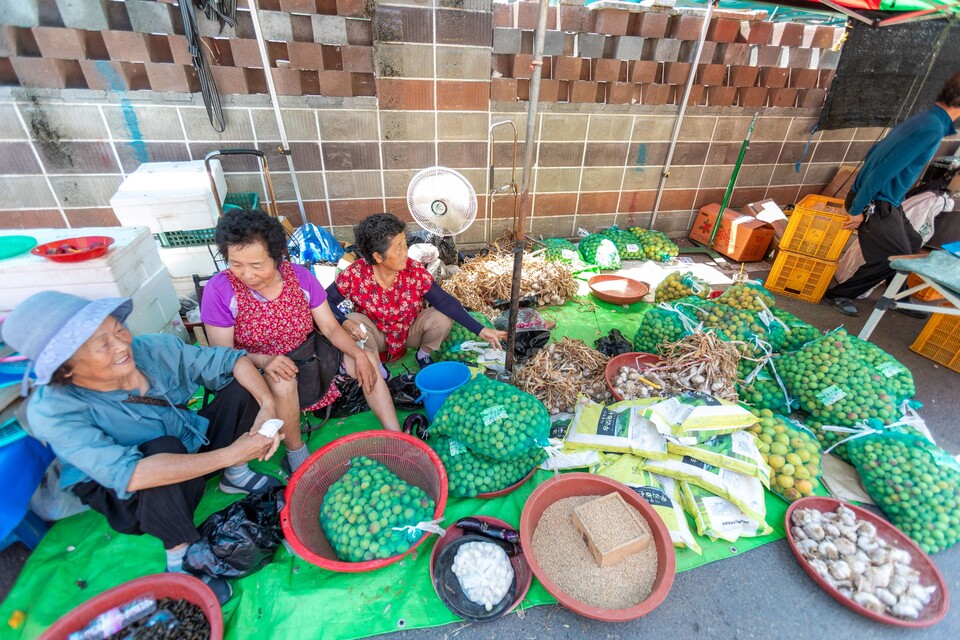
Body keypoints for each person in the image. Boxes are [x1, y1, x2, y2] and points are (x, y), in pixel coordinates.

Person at [2, 292, 286, 604]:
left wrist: (267, 408)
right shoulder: (53, 411)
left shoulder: (150, 348)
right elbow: (130, 473)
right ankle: (179, 559)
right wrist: (232, 451)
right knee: (159, 454)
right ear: (66, 368)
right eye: (102, 345)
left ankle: (234, 475)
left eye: (118, 330)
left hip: (190, 442)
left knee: (242, 387)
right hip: (130, 492)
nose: (122, 346)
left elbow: (232, 360)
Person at [201, 209, 400, 476]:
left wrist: (360, 354)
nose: (247, 275)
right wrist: (265, 360)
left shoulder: (300, 278)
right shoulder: (220, 290)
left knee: (365, 359)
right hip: (254, 367)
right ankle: (296, 454)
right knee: (283, 380)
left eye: (257, 265)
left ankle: (397, 436)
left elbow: (329, 327)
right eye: (236, 264)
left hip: (307, 355)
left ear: (277, 256)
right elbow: (224, 354)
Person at [823, 71, 960, 317]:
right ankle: (840, 294)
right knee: (893, 258)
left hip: (886, 199)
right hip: (875, 201)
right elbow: (883, 170)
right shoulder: (932, 128)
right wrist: (857, 209)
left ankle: (894, 295)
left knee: (912, 243)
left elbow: (874, 152)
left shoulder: (926, 119)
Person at [327, 213, 507, 367]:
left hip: (408, 333)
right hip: (375, 338)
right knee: (352, 320)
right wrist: (343, 321)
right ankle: (376, 368)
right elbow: (325, 301)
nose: (405, 252)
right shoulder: (356, 274)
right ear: (377, 256)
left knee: (442, 317)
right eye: (398, 248)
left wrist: (480, 330)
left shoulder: (413, 271)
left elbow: (443, 300)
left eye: (404, 244)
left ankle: (423, 355)